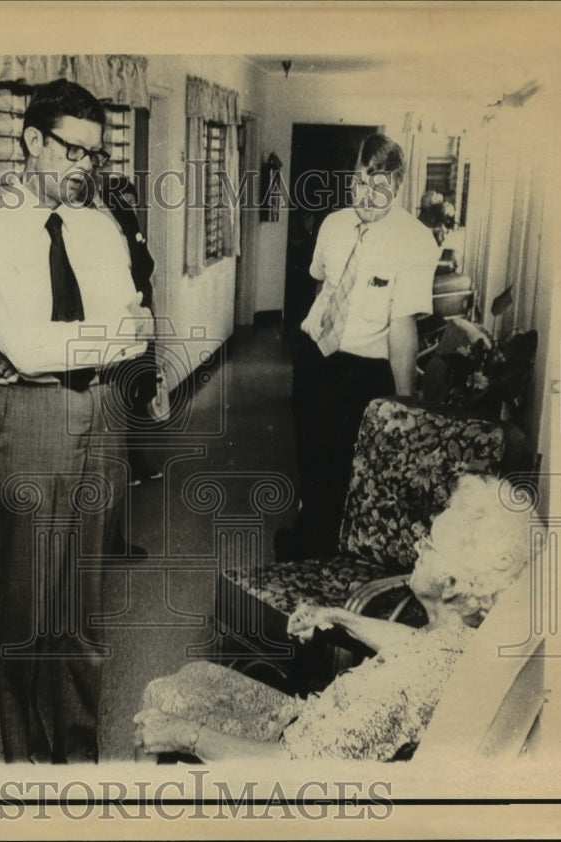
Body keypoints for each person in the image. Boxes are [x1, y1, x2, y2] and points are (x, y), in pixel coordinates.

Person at [0, 79, 152, 763]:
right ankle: (26, 755)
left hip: (103, 409)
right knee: (26, 604)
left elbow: (140, 331)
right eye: (73, 151)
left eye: (95, 156)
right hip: (31, 418)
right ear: (33, 140)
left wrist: (67, 343)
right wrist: (87, 338)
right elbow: (28, 349)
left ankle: (78, 751)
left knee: (85, 600)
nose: (86, 168)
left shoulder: (100, 228)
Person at [134, 474, 533, 762]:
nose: (417, 546)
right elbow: (413, 644)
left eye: (428, 544)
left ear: (450, 584)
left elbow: (289, 775)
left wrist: (187, 737)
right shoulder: (459, 639)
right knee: (196, 676)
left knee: (165, 699)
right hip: (312, 723)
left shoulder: (401, 688)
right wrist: (339, 617)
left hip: (287, 758)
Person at [277, 134, 440, 560]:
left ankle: (331, 559)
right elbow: (322, 283)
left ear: (397, 185)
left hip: (363, 374)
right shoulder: (333, 225)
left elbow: (402, 328)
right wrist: (312, 341)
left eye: (378, 186)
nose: (365, 196)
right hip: (315, 358)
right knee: (311, 460)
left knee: (350, 474)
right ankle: (308, 543)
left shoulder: (416, 241)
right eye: (358, 183)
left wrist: (406, 407)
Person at [99, 173, 163, 489]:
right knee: (123, 393)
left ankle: (137, 461)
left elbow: (145, 264)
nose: (128, 205)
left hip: (141, 319)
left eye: (130, 199)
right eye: (122, 199)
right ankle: (124, 464)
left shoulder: (129, 223)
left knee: (140, 390)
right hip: (122, 324)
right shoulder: (104, 228)